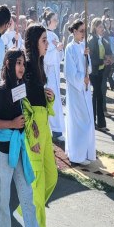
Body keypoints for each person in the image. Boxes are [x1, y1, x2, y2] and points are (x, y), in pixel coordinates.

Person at [0, 49, 55, 227]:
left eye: (23, 64)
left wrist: (31, 131)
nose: (21, 67)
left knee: (28, 199)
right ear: (7, 63)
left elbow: (24, 114)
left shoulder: (20, 87)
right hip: (4, 151)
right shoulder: (2, 90)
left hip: (20, 150)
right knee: (3, 199)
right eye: (18, 63)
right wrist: (11, 125)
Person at [23, 24, 58, 227]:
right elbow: (21, 101)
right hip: (34, 130)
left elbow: (40, 99)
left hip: (44, 126)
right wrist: (29, 127)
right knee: (38, 185)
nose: (48, 44)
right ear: (35, 42)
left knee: (52, 176)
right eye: (44, 40)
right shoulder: (26, 66)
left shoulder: (40, 64)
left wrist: (50, 98)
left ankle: (22, 212)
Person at [64, 20, 96, 165]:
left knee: (89, 120)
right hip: (76, 90)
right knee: (79, 121)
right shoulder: (69, 48)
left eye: (85, 31)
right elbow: (69, 73)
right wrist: (80, 80)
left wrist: (86, 56)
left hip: (85, 89)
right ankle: (77, 155)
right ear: (75, 31)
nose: (84, 34)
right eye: (81, 30)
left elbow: (88, 68)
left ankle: (86, 152)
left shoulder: (84, 46)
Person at [42, 11, 66, 140]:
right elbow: (46, 58)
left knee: (55, 102)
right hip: (48, 74)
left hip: (55, 73)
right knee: (52, 101)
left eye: (57, 19)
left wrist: (60, 49)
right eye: (54, 20)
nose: (57, 22)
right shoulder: (44, 35)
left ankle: (56, 130)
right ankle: (55, 131)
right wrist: (56, 50)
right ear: (48, 21)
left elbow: (59, 57)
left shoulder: (55, 35)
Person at [87, 18, 112, 132]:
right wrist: (103, 61)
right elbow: (91, 58)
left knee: (97, 96)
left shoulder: (102, 39)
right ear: (94, 28)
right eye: (100, 27)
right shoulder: (92, 40)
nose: (102, 29)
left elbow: (107, 51)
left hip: (101, 71)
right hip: (94, 72)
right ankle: (99, 123)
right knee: (98, 96)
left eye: (103, 27)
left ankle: (95, 122)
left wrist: (109, 57)